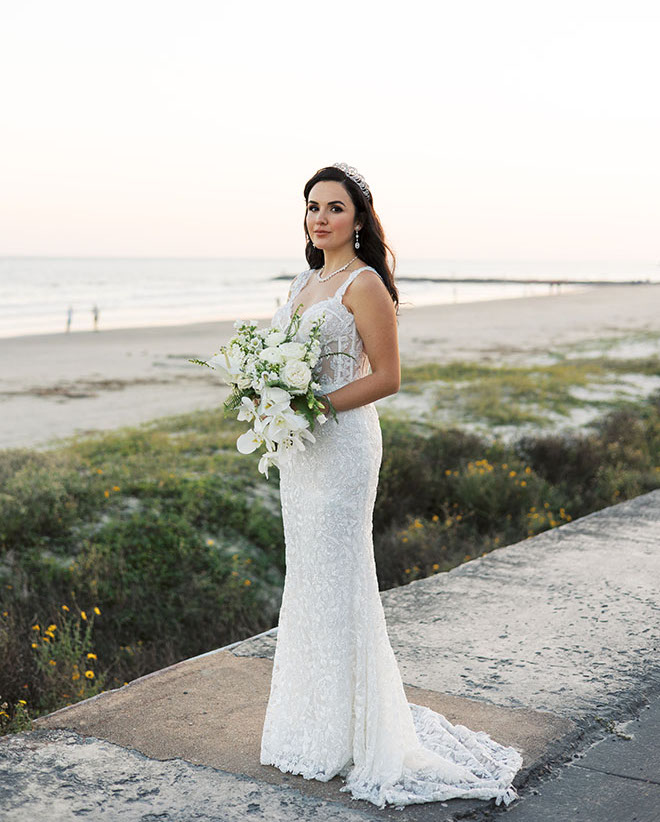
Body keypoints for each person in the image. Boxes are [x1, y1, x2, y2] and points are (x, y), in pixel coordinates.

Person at [260, 163, 522, 809]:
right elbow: (281, 362)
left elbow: (388, 377)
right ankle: (315, 725)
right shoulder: (304, 279)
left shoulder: (364, 282)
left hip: (342, 445)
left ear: (359, 218)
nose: (320, 217)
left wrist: (313, 407)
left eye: (335, 207)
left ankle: (360, 731)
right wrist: (268, 398)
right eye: (313, 206)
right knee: (308, 580)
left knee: (338, 577)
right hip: (302, 453)